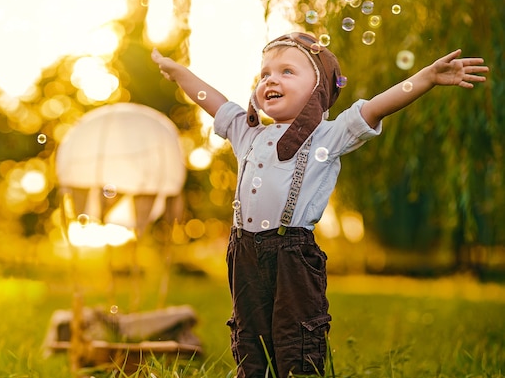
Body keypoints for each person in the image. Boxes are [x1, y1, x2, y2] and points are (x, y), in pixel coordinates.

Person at [151, 32, 488, 377]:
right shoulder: (247, 133)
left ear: (319, 91)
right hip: (244, 253)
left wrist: (426, 78)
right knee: (249, 337)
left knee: (296, 339)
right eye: (265, 73)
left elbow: (376, 106)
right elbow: (212, 100)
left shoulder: (327, 135)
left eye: (287, 71)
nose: (270, 79)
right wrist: (179, 73)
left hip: (292, 255)